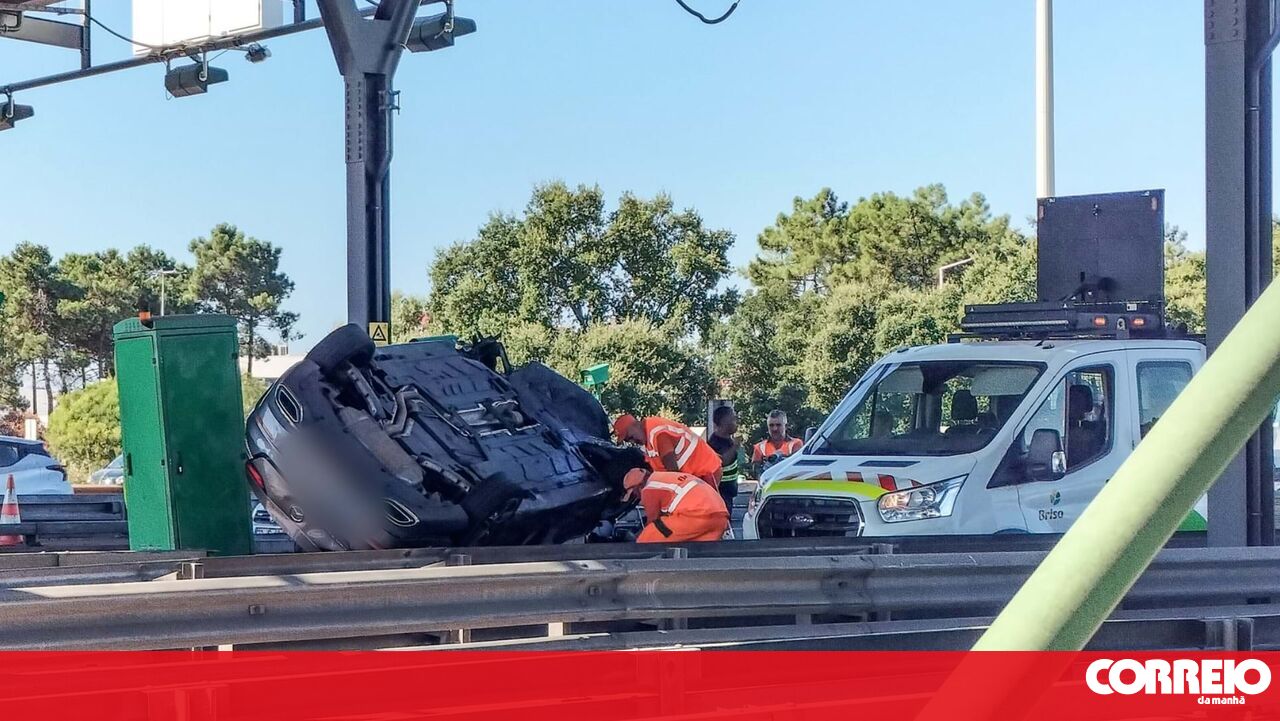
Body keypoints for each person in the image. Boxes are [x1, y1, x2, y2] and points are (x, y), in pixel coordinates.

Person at [623, 467, 729, 543]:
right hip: (720, 518)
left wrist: (636, 537)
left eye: (634, 493)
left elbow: (653, 522)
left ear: (639, 486)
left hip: (696, 516)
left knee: (648, 536)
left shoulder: (649, 488)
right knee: (697, 550)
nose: (637, 497)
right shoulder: (666, 477)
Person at [613, 414, 723, 485]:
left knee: (703, 508)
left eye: (630, 437)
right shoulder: (649, 437)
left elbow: (673, 473)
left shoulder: (658, 434)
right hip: (696, 474)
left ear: (635, 425)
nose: (632, 442)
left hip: (706, 471)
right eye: (628, 441)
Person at [705, 405, 743, 511]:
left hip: (728, 493)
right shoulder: (714, 442)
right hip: (720, 493)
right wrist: (735, 446)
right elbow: (721, 462)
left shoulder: (728, 440)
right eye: (733, 419)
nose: (736, 422)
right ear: (723, 422)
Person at [751, 409, 804, 477]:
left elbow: (796, 468)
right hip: (768, 482)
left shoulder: (795, 443)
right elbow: (756, 472)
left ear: (786, 426)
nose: (775, 429)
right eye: (771, 425)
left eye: (778, 425)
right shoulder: (759, 447)